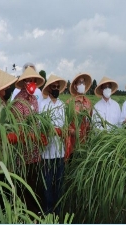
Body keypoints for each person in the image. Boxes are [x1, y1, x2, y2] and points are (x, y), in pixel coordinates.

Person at [11, 66, 45, 214]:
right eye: (29, 80)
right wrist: (32, 136)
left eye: (34, 80)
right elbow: (17, 131)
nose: (32, 83)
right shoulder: (18, 101)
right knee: (24, 191)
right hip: (23, 157)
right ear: (24, 82)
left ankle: (34, 216)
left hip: (35, 154)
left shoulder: (34, 100)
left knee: (34, 188)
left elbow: (36, 124)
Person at [39, 74, 66, 215]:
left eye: (57, 87)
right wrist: (51, 130)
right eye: (53, 86)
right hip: (47, 153)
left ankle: (59, 214)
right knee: (48, 187)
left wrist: (64, 132)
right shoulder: (42, 105)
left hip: (60, 153)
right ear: (49, 88)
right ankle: (48, 215)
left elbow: (65, 127)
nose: (56, 89)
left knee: (59, 186)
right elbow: (40, 128)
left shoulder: (62, 105)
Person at [65, 73, 93, 159]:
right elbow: (65, 123)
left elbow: (91, 121)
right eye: (79, 83)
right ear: (75, 86)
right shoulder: (69, 103)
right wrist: (73, 131)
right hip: (72, 144)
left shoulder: (88, 103)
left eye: (83, 83)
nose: (82, 85)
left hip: (85, 144)